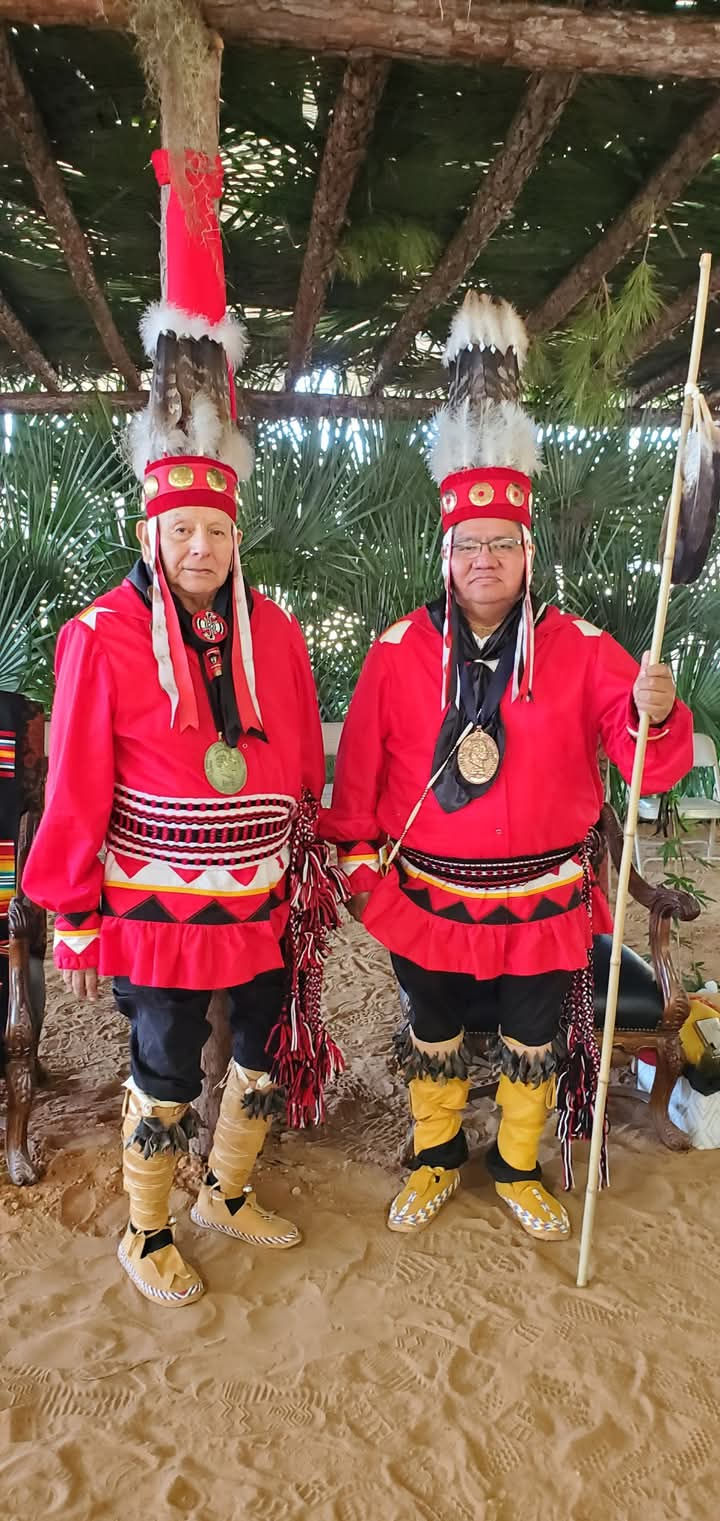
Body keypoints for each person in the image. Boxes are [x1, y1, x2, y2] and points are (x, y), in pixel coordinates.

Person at [24, 146, 344, 1306]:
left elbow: (303, 757)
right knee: (161, 1059)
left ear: (233, 531)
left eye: (216, 530)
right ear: (152, 532)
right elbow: (72, 788)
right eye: (181, 533)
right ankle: (147, 1230)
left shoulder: (279, 634)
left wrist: (315, 847)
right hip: (155, 903)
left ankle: (228, 1187)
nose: (200, 548)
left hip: (257, 892)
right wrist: (67, 908)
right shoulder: (101, 635)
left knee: (258, 1042)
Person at [324, 292, 693, 1241]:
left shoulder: (584, 647)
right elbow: (358, 780)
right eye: (468, 545)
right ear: (445, 552)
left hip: (544, 897)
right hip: (429, 894)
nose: (484, 559)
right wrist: (366, 877)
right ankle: (438, 1154)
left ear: (527, 551)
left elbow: (644, 760)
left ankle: (519, 1164)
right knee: (434, 1030)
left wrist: (656, 707)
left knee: (536, 1036)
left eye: (501, 544)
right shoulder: (399, 649)